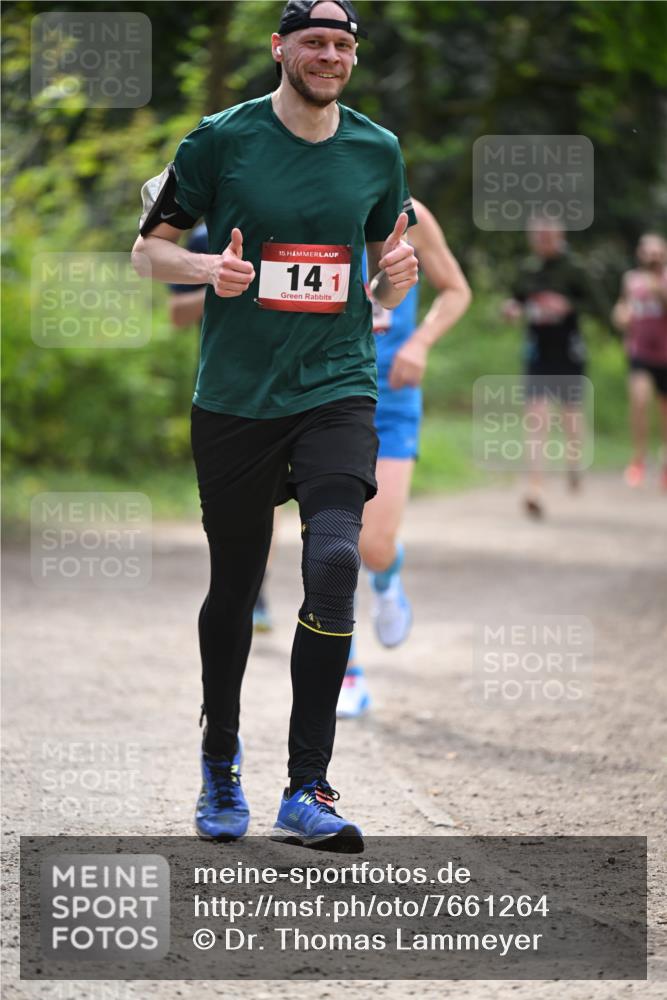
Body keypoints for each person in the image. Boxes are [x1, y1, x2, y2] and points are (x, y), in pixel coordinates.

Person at [132, 0, 418, 852]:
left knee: (332, 560)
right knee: (234, 585)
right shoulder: (221, 137)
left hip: (336, 385)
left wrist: (395, 287)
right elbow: (148, 250)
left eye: (342, 44)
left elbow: (379, 276)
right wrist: (205, 267)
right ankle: (220, 757)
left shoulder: (378, 151)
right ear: (280, 48)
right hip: (236, 398)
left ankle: (308, 787)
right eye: (314, 42)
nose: (329, 55)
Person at [337, 199, 471, 718]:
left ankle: (387, 577)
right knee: (332, 539)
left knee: (372, 545)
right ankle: (347, 675)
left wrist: (420, 342)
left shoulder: (412, 214)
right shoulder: (313, 198)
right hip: (328, 392)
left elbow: (457, 290)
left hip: (391, 398)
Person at [168, 224, 276, 631]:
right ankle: (250, 589)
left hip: (294, 377)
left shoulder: (289, 217)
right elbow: (176, 314)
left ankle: (257, 589)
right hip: (229, 385)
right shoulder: (201, 238)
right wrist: (219, 277)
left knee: (276, 493)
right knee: (250, 499)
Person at [502, 219, 604, 519]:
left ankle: (574, 464)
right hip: (538, 352)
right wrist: (511, 308)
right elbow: (516, 300)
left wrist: (567, 305)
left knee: (571, 417)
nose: (542, 240)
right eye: (537, 235)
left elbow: (598, 305)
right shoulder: (528, 269)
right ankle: (535, 488)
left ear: (560, 236)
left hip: (569, 352)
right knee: (537, 418)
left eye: (547, 235)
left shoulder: (576, 268)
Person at [612, 233, 667, 490]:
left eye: (657, 252)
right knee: (640, 401)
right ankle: (639, 459)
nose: (653, 256)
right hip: (640, 353)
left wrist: (658, 288)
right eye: (648, 252)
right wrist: (621, 316)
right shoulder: (630, 279)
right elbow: (623, 308)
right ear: (640, 254)